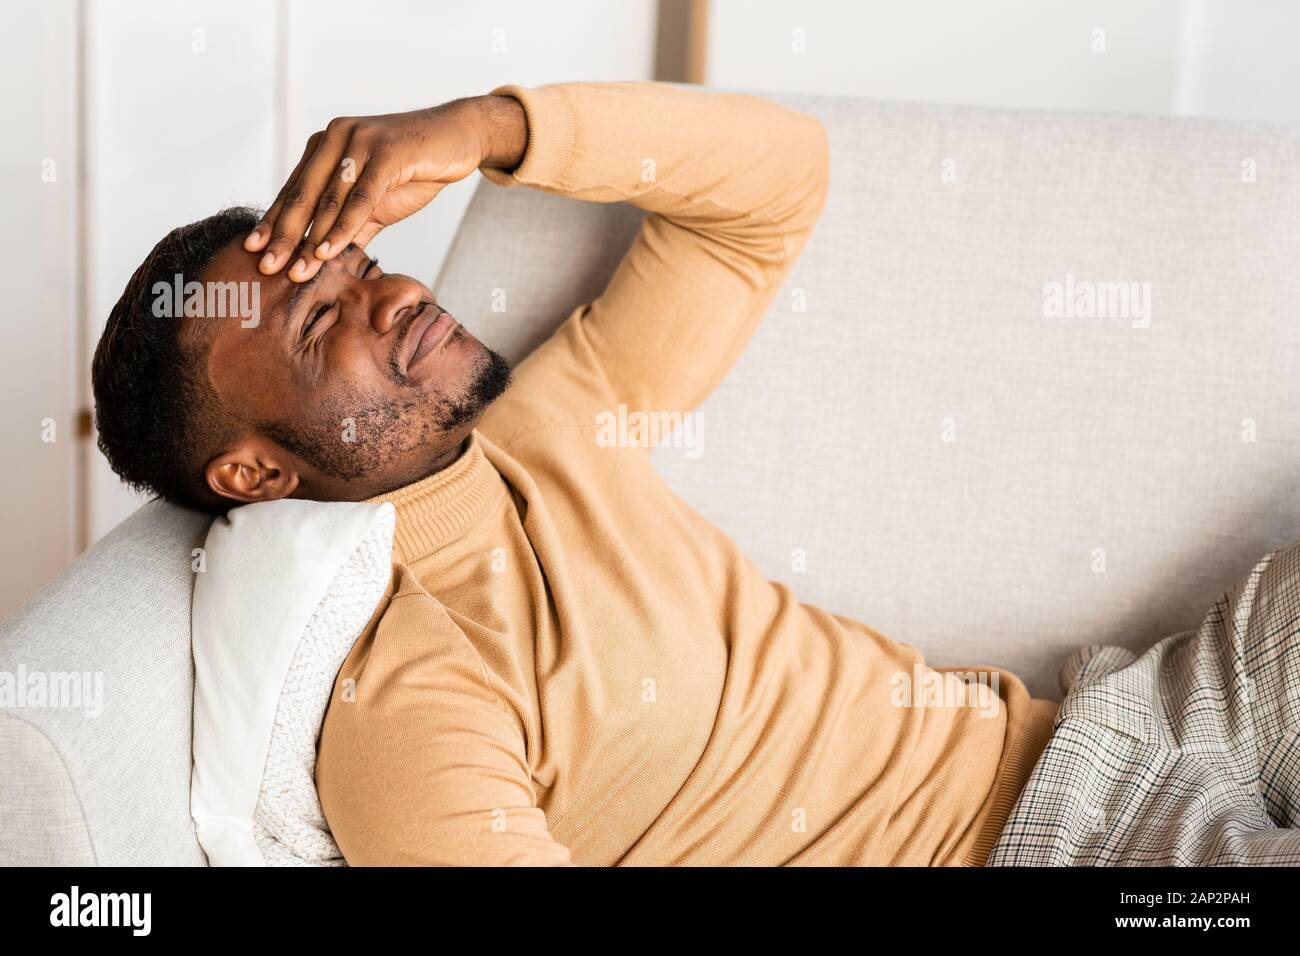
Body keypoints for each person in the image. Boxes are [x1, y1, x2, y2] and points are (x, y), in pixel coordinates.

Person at [94, 81, 1298, 866]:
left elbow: (777, 187)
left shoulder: (554, 423)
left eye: (362, 266)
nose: (397, 294)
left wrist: (480, 131)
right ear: (251, 472)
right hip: (1063, 846)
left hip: (1134, 715)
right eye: (323, 325)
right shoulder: (406, 702)